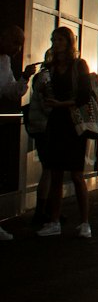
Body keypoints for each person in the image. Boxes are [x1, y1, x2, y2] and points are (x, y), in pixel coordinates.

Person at [36, 25, 93, 238]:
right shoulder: (50, 67)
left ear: (69, 42)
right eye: (54, 40)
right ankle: (55, 220)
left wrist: (59, 104)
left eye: (60, 40)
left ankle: (84, 221)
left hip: (73, 123)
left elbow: (84, 97)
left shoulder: (79, 65)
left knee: (77, 174)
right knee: (56, 173)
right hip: (58, 122)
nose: (56, 44)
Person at [0, 25, 32, 240]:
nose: (18, 49)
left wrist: (24, 79)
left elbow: (10, 90)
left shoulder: (4, 61)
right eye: (15, 42)